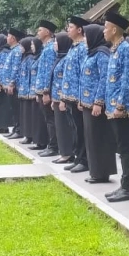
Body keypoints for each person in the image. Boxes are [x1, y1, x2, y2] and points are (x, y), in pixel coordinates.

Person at [103, 12, 129, 202]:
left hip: (122, 109)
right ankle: (124, 185)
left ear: (114, 29)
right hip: (113, 107)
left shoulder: (125, 49)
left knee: (125, 148)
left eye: (106, 27)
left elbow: (128, 80)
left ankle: (128, 188)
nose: (104, 31)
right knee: (121, 147)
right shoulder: (115, 49)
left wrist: (120, 105)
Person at [80, 24, 117, 184]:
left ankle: (102, 172)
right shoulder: (92, 53)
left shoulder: (102, 54)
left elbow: (104, 79)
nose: (85, 39)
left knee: (99, 138)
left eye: (87, 36)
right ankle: (96, 171)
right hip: (87, 103)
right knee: (91, 138)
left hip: (97, 104)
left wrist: (98, 102)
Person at [61, 16, 91, 174]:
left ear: (79, 30)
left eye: (71, 27)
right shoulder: (73, 47)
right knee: (74, 128)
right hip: (69, 95)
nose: (68, 29)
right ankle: (77, 157)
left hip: (77, 95)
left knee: (80, 129)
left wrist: (80, 97)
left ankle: (84, 160)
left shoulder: (82, 48)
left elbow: (83, 74)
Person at [34, 21, 61, 158]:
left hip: (46, 90)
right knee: (47, 119)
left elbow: (49, 71)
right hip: (41, 89)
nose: (38, 33)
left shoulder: (50, 49)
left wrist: (46, 92)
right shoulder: (46, 48)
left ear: (47, 32)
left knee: (50, 119)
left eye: (40, 30)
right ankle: (50, 144)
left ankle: (53, 146)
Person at [50, 32, 76, 164]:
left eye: (56, 41)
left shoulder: (66, 59)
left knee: (64, 127)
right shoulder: (59, 57)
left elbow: (65, 80)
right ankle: (63, 152)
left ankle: (67, 153)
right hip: (56, 97)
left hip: (62, 98)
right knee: (59, 126)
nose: (54, 44)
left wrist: (62, 99)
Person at [2, 29, 26, 139]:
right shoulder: (13, 50)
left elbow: (15, 68)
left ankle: (19, 130)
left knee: (16, 109)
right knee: (13, 109)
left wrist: (11, 83)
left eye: (8, 36)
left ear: (13, 38)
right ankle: (16, 128)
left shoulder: (17, 51)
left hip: (15, 86)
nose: (7, 38)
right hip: (9, 85)